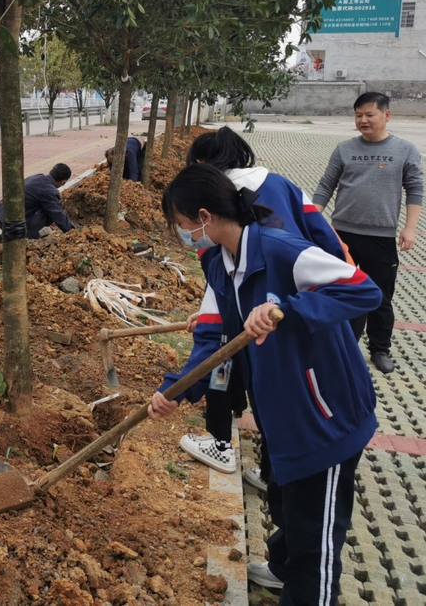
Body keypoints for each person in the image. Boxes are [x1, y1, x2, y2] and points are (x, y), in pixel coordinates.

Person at [152, 164, 380, 602]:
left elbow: (363, 290)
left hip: (325, 418)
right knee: (291, 519)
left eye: (181, 225)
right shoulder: (219, 264)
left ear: (204, 216)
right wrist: (176, 390)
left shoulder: (281, 250)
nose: (182, 234)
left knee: (315, 546)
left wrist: (287, 310)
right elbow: (214, 337)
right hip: (282, 416)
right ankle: (285, 576)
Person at [169, 127, 347, 474]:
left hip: (280, 312)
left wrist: (221, 313)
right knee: (263, 382)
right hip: (309, 301)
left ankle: (232, 448)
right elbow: (324, 243)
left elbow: (257, 267)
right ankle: (273, 469)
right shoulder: (279, 184)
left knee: (229, 367)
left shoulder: (230, 202)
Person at [313, 92, 422, 374]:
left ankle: (380, 350)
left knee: (379, 296)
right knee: (340, 293)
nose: (363, 120)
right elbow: (326, 185)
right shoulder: (344, 149)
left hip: (381, 237)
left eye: (369, 114)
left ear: (386, 115)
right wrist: (311, 219)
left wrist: (410, 228)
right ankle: (342, 346)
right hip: (341, 236)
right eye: (358, 115)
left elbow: (416, 189)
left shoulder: (405, 150)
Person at [0, 163, 75, 239]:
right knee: (48, 211)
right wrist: (74, 232)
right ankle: (29, 236)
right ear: (63, 182)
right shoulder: (49, 191)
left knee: (44, 206)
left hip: (1, 216)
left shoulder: (37, 177)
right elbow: (58, 215)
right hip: (13, 225)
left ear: (51, 171)